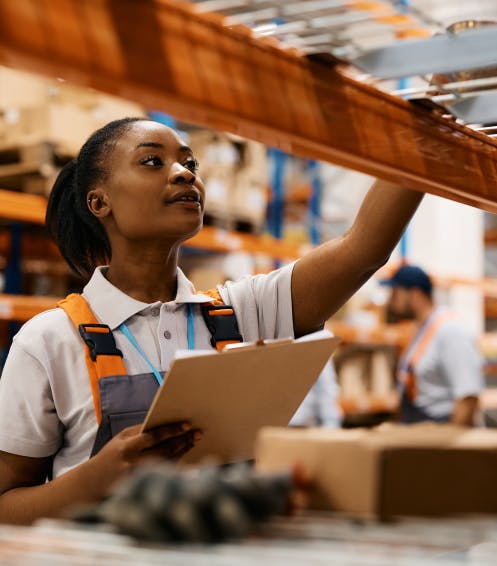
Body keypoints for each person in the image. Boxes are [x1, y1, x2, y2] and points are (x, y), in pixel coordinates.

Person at [0, 117, 423, 524]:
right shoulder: (49, 341)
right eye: (153, 161)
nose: (184, 173)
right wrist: (88, 483)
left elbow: (363, 248)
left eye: (190, 163)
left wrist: (423, 137)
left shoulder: (245, 312)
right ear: (99, 202)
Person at [382, 265, 484, 425]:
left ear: (415, 294)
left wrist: (448, 447)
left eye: (395, 293)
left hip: (442, 433)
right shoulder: (421, 331)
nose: (390, 301)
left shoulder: (451, 331)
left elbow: (468, 398)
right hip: (422, 429)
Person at [289, 360, 341, 428]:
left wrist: (331, 428)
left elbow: (326, 392)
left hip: (303, 425)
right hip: (275, 428)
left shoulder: (314, 353)